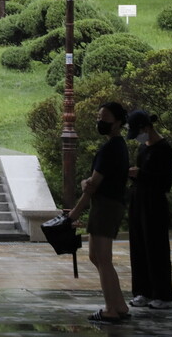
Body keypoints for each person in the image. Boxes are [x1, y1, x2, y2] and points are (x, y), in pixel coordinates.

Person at [68, 101, 131, 324]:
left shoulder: (110, 149)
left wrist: (74, 213)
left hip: (106, 206)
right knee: (97, 257)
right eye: (99, 117)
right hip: (107, 205)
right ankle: (119, 304)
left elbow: (93, 185)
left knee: (103, 258)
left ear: (118, 123)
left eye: (105, 119)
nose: (100, 122)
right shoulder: (118, 146)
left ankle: (111, 309)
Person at [127, 109, 172, 310]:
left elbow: (165, 181)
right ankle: (142, 291)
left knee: (156, 248)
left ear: (146, 128)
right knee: (138, 247)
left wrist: (142, 174)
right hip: (139, 201)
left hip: (155, 204)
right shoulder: (143, 149)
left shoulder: (163, 149)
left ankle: (162, 295)